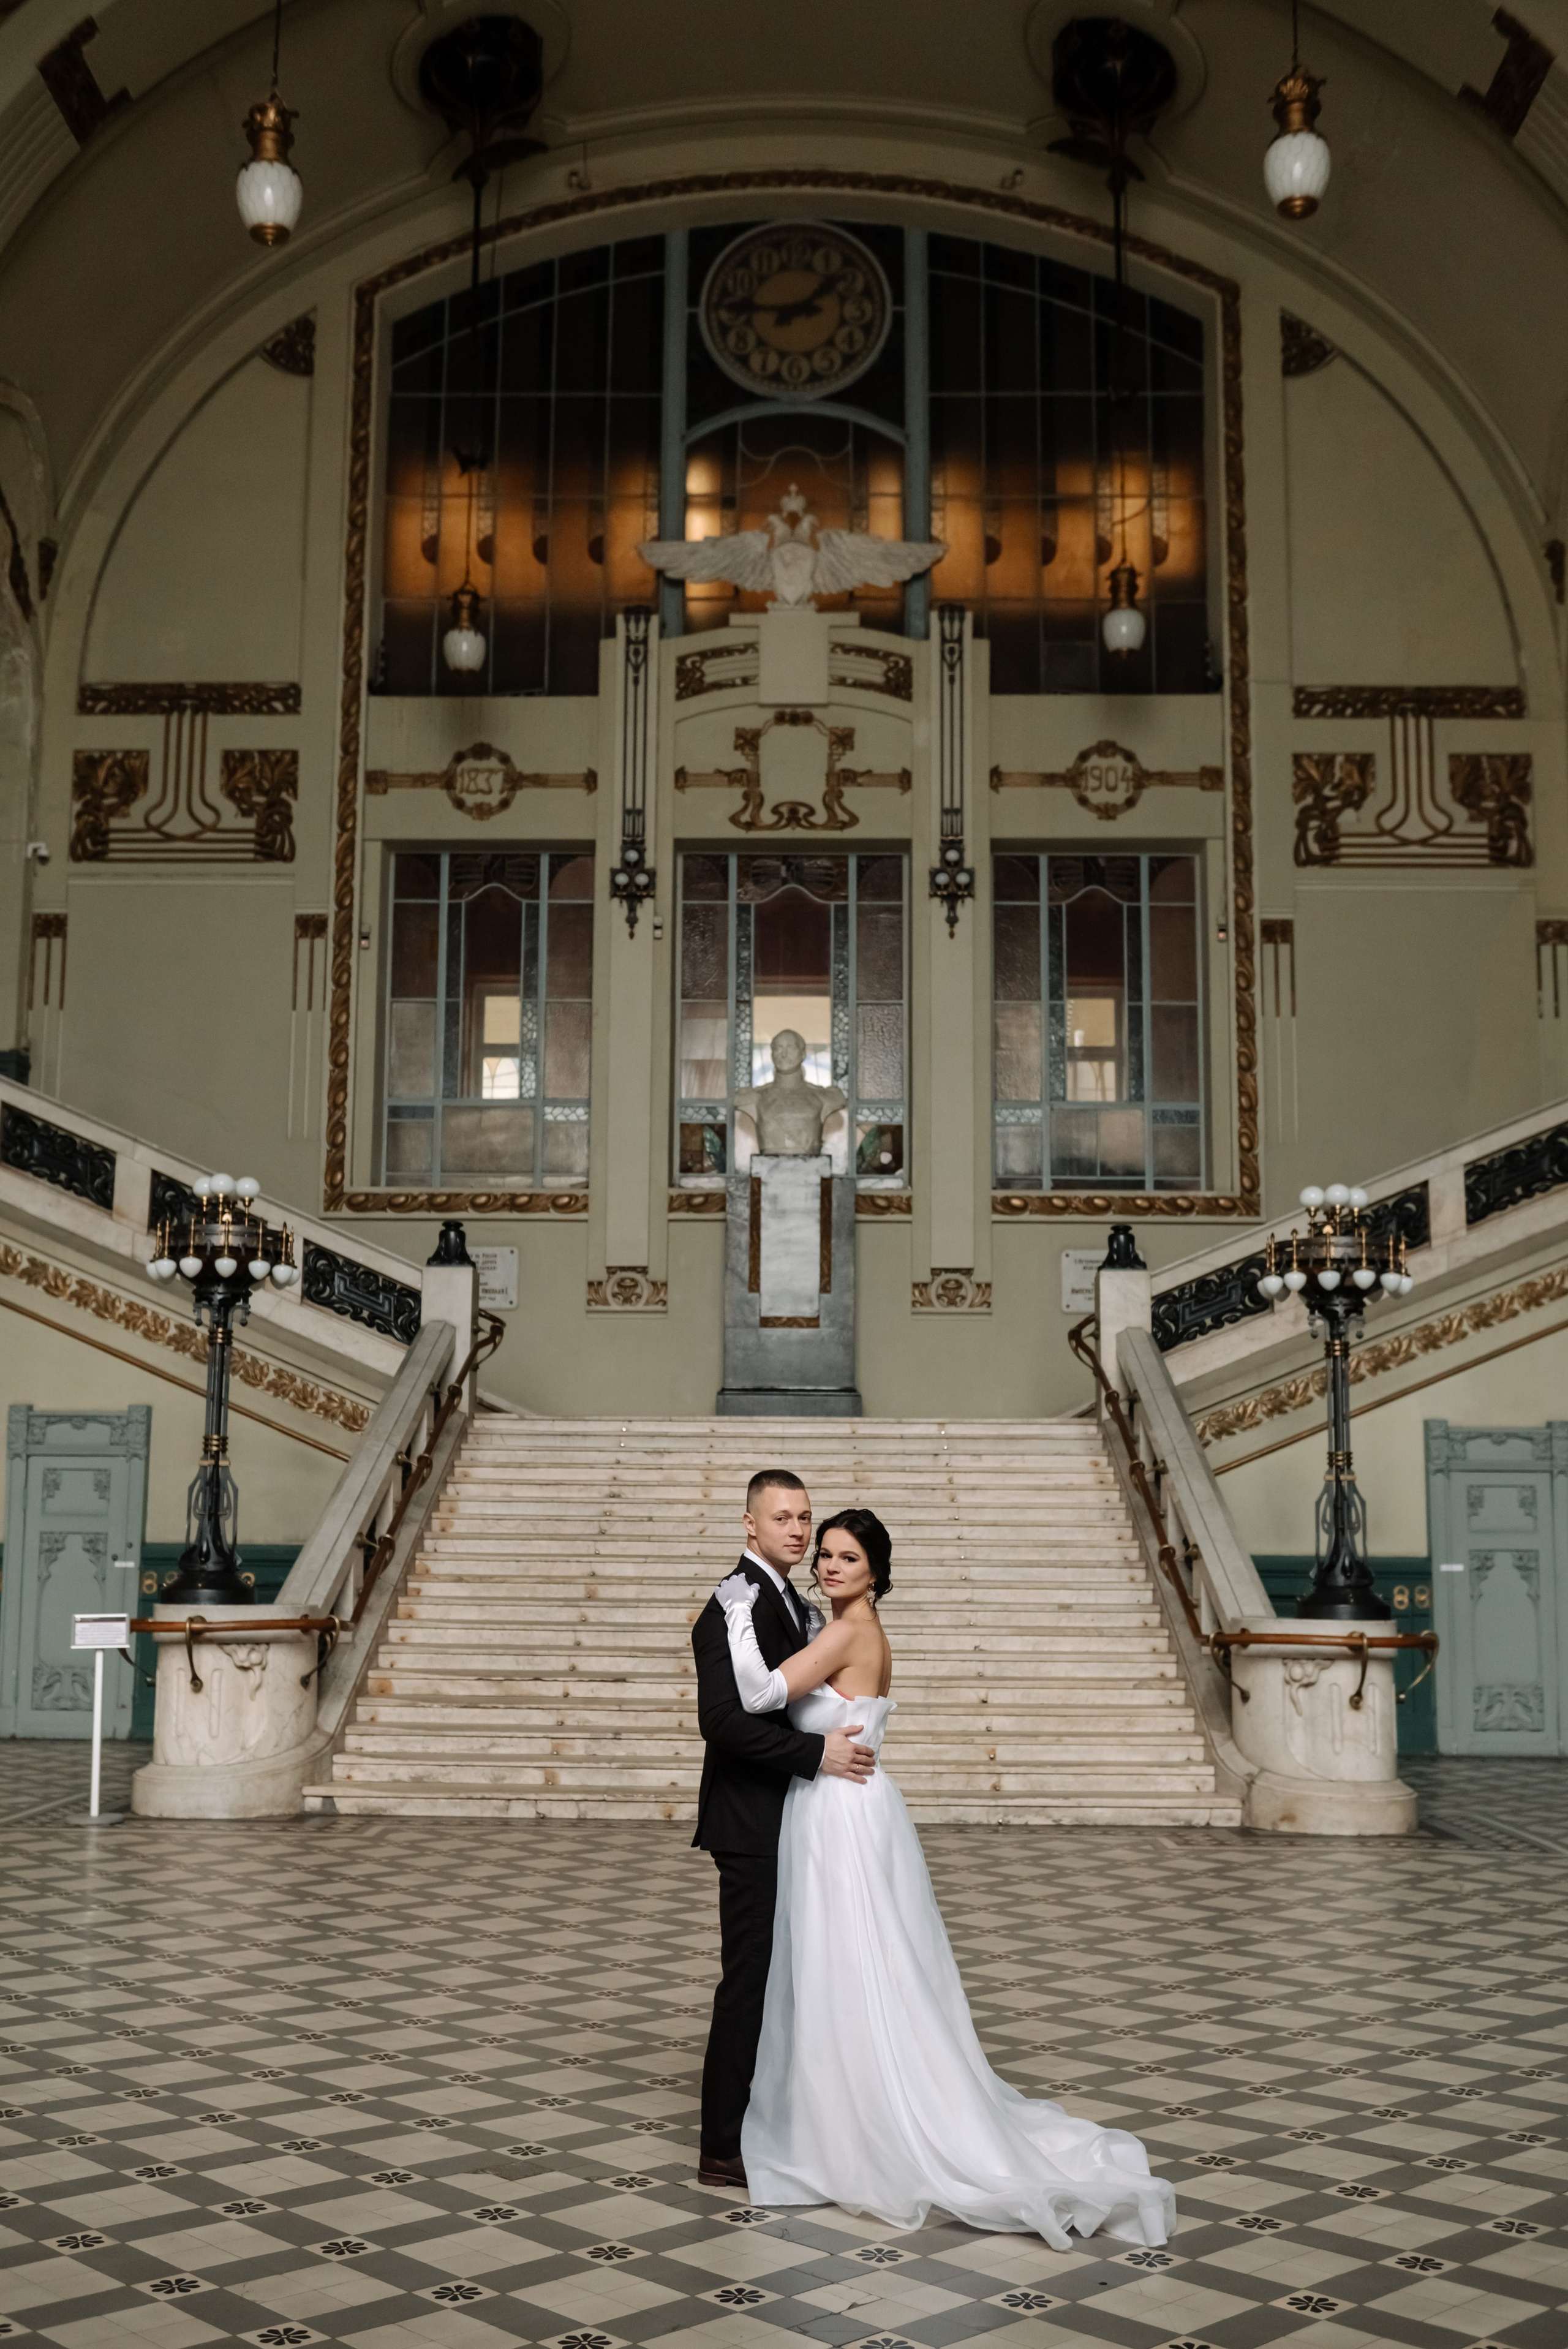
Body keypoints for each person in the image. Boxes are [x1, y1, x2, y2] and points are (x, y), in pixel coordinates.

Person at [710, 1506, 1176, 2248]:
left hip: (839, 1810)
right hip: (846, 1803)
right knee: (849, 1963)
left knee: (848, 1962)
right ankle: (840, 2112)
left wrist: (737, 1615)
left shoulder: (849, 1631)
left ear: (875, 1572)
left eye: (847, 1557)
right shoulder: (846, 1626)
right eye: (825, 1553)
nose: (829, 1565)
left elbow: (763, 1696)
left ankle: (864, 2124)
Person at [690, 1469, 875, 2191]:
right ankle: (720, 2146)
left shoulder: (794, 1602)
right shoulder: (730, 1603)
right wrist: (812, 1753)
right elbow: (722, 1721)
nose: (797, 1531)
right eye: (782, 1518)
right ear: (750, 1524)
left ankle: (779, 2115)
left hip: (795, 1817)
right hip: (749, 1821)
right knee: (750, 1977)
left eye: (804, 1518)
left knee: (787, 1975)